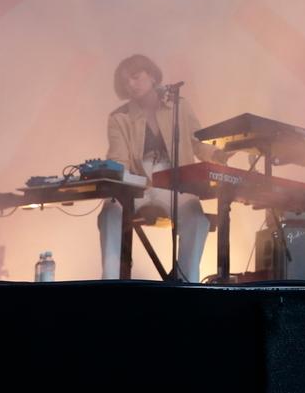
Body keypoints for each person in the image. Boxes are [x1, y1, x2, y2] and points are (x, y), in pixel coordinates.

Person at [96, 54, 223, 281]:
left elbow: (197, 142)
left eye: (135, 77)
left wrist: (219, 153)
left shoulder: (180, 106)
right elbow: (119, 158)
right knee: (110, 213)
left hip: (175, 182)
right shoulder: (119, 117)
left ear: (152, 75)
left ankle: (187, 283)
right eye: (126, 82)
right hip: (138, 184)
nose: (131, 85)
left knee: (196, 218)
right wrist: (115, 175)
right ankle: (111, 284)